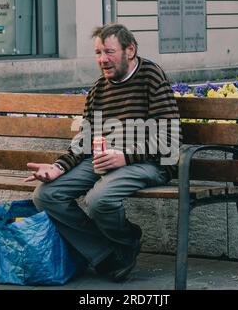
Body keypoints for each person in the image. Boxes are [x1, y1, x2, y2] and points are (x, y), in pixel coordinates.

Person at [25, 23, 181, 282]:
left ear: (130, 50)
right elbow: (85, 138)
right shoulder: (99, 88)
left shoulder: (151, 77)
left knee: (99, 199)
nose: (102, 60)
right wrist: (58, 167)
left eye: (109, 52)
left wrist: (126, 156)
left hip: (150, 162)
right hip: (105, 159)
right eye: (98, 53)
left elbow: (170, 140)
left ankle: (127, 240)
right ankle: (107, 254)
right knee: (47, 195)